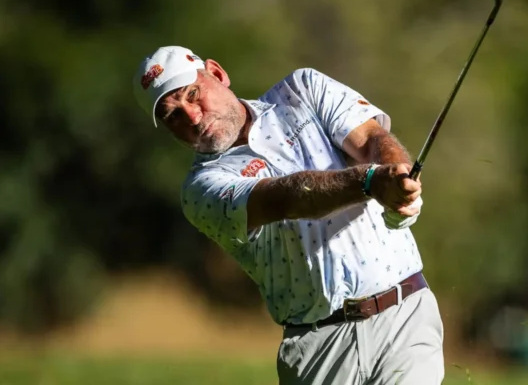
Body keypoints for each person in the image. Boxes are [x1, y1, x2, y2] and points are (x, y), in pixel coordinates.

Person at [132, 46, 445, 384]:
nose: (193, 117)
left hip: (404, 315)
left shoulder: (302, 89)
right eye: (173, 116)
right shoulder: (200, 189)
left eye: (193, 94)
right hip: (318, 348)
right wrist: (370, 182)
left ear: (218, 74)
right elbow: (286, 199)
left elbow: (371, 138)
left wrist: (398, 185)